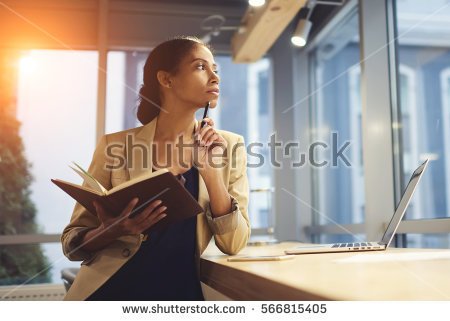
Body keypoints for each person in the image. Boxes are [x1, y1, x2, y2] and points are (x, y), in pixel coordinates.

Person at [60, 36, 250, 301]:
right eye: (200, 67)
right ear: (166, 79)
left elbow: (234, 244)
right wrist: (112, 230)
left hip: (179, 295)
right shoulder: (115, 146)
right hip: (111, 291)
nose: (215, 77)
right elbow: (72, 243)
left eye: (215, 69)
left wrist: (211, 172)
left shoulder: (230, 145)